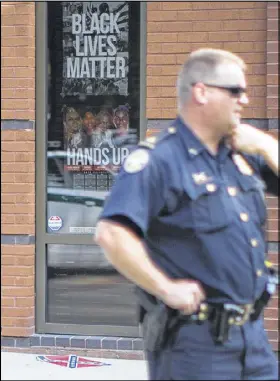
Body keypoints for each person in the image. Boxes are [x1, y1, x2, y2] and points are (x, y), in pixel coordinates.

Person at [94, 49, 279, 380]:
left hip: (253, 342)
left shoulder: (244, 154)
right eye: (236, 91)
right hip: (195, 346)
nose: (245, 100)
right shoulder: (161, 160)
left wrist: (268, 146)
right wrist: (165, 288)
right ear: (202, 92)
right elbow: (112, 234)